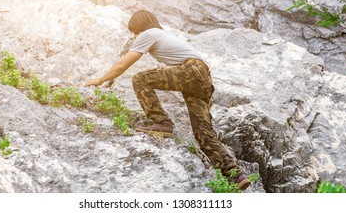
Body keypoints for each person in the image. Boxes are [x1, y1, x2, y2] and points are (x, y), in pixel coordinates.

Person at [84, 10, 251, 190]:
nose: (133, 36)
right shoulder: (162, 34)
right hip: (203, 77)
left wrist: (100, 80)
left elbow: (123, 64)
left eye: (134, 31)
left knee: (140, 79)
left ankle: (162, 122)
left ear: (139, 27)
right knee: (203, 132)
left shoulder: (147, 34)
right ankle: (236, 174)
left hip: (191, 71)